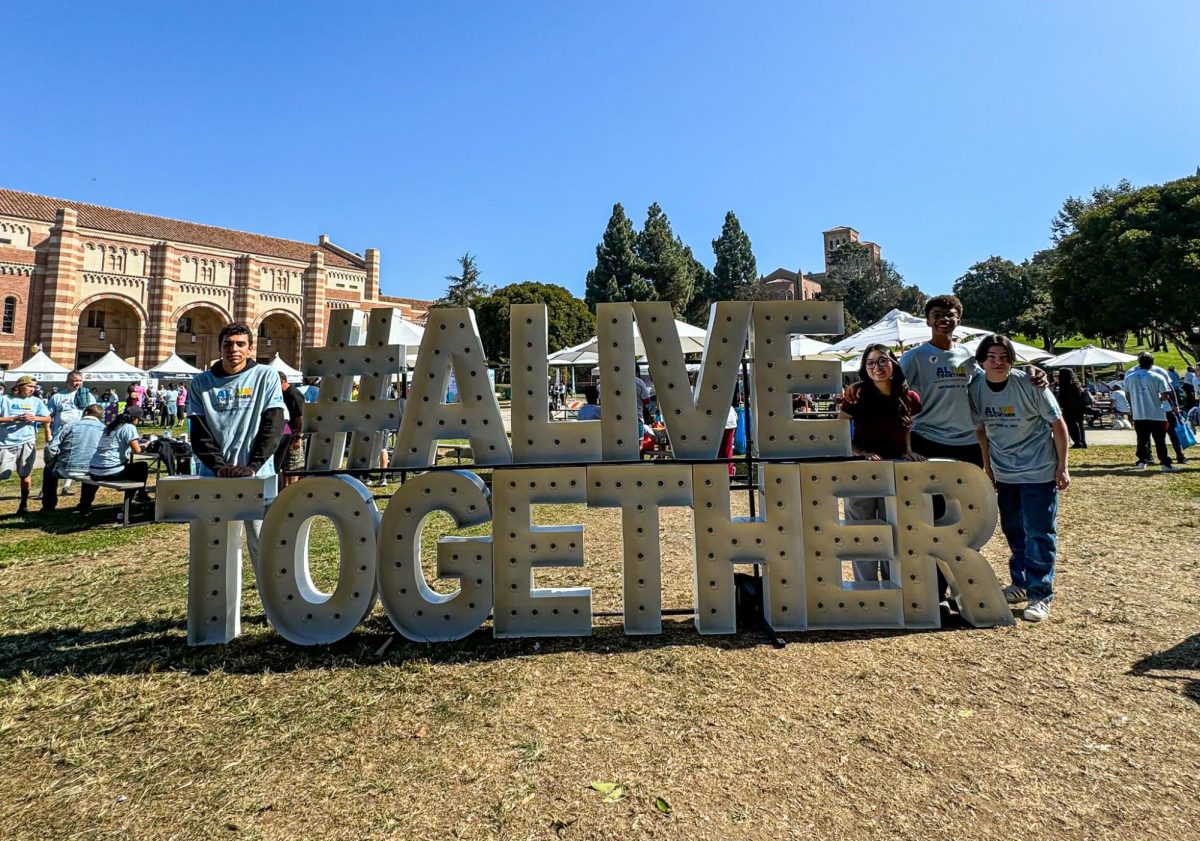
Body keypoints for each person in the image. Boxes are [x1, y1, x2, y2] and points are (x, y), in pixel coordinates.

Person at [970, 335, 1070, 623]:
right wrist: (988, 467)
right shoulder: (976, 386)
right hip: (1004, 472)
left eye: (1004, 356)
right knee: (1013, 529)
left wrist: (1063, 467)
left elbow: (1058, 424)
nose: (998, 362)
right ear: (981, 361)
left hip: (1038, 471)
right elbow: (981, 430)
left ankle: (1041, 594)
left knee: (1039, 532)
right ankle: (1021, 583)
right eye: (992, 356)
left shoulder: (1030, 384)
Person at [188, 323, 286, 572]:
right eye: (228, 344)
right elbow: (199, 432)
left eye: (240, 344)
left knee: (264, 544)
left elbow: (273, 425)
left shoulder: (266, 376)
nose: (234, 349)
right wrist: (220, 467)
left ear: (250, 348)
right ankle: (221, 610)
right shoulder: (201, 383)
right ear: (220, 347)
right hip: (215, 477)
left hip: (257, 476)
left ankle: (272, 607)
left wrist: (252, 466)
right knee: (216, 546)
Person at [838, 343, 925, 582]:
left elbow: (908, 427)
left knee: (895, 532)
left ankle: (892, 586)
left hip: (896, 470)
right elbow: (840, 431)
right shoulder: (857, 396)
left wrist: (908, 450)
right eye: (870, 363)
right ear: (864, 368)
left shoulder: (910, 397)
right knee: (863, 533)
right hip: (863, 472)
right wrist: (861, 452)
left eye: (882, 361)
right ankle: (866, 589)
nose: (877, 367)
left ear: (893, 363)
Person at [77, 408, 153, 516]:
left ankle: (84, 506)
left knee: (129, 467)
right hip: (111, 471)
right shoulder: (129, 427)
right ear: (133, 418)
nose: (139, 422)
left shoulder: (111, 427)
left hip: (94, 469)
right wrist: (147, 444)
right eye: (139, 420)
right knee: (142, 467)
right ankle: (132, 502)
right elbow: (137, 450)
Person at [0, 375, 53, 514]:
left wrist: (34, 417)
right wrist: (13, 418)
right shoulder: (4, 399)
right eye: (30, 386)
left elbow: (47, 418)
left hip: (27, 441)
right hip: (5, 443)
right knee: (2, 474)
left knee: (25, 474)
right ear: (19, 386)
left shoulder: (36, 401)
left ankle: (23, 504)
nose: (32, 389)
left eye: (34, 387)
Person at [42, 404, 106, 512]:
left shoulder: (70, 425)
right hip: (91, 469)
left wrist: (49, 461)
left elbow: (51, 448)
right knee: (93, 474)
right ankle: (85, 503)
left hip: (66, 467)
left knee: (48, 472)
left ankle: (48, 504)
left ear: (85, 412)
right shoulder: (104, 429)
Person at [1124, 352, 1179, 472]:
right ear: (1152, 363)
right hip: (1157, 413)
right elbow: (1165, 395)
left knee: (1142, 439)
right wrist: (1156, 398)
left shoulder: (1129, 377)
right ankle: (1165, 463)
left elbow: (1127, 395)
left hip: (1139, 413)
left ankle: (1142, 461)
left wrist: (1136, 403)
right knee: (1160, 440)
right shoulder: (1158, 377)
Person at [45, 370, 96, 497]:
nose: (77, 383)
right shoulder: (58, 397)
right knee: (53, 460)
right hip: (59, 433)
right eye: (74, 380)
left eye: (80, 380)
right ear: (67, 381)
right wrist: (47, 430)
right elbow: (48, 416)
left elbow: (95, 413)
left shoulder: (88, 396)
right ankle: (47, 490)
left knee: (74, 459)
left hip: (80, 434)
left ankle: (66, 486)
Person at [274, 371, 305, 489]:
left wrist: (298, 437)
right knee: (286, 466)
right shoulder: (283, 394)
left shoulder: (293, 394)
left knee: (294, 466)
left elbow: (301, 417)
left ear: (282, 381)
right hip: (286, 435)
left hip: (294, 436)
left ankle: (292, 490)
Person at [1054, 368, 1089, 448]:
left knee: (1072, 425)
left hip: (1069, 409)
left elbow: (1063, 399)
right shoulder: (1076, 384)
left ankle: (1077, 442)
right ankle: (1082, 442)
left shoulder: (1065, 386)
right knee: (1080, 425)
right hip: (1079, 408)